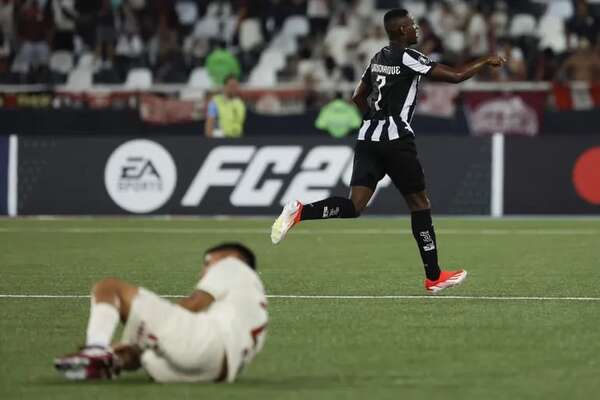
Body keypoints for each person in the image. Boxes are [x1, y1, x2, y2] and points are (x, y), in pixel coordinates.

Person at [271, 9, 506, 294]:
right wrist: (485, 61)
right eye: (411, 26)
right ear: (400, 31)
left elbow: (358, 96)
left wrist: (374, 121)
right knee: (420, 204)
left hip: (367, 138)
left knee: (355, 206)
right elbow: (455, 76)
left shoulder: (378, 57)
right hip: (396, 141)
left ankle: (299, 212)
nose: (416, 29)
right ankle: (434, 277)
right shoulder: (409, 57)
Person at [54, 243, 268, 383]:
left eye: (207, 261)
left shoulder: (233, 264)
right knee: (145, 352)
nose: (203, 271)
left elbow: (195, 303)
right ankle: (111, 361)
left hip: (206, 344)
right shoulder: (249, 300)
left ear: (229, 255)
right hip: (218, 371)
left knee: (109, 287)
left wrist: (150, 324)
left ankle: (96, 349)